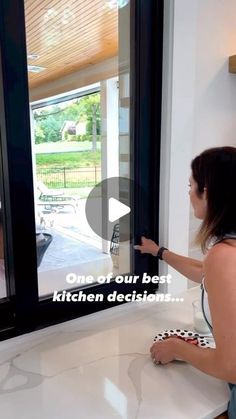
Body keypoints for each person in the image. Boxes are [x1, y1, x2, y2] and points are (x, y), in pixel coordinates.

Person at [134, 146, 236, 418]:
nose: (189, 193)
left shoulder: (225, 255)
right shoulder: (228, 252)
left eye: (191, 186)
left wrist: (178, 348)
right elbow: (205, 273)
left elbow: (230, 366)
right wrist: (158, 252)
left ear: (209, 193)